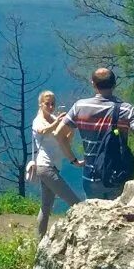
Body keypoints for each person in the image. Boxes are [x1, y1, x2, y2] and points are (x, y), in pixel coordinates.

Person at [67, 66, 134, 199]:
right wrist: (132, 165)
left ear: (93, 84)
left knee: (95, 215)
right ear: (114, 84)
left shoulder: (79, 106)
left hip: (90, 176)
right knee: (119, 216)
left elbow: (58, 135)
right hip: (117, 175)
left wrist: (73, 160)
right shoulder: (126, 109)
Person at [28, 89, 81, 237]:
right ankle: (77, 235)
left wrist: (72, 126)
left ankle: (39, 241)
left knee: (46, 207)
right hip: (45, 167)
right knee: (75, 202)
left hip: (52, 167)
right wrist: (58, 122)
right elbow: (42, 131)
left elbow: (65, 140)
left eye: (53, 104)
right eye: (47, 104)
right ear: (40, 104)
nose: (50, 107)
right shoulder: (38, 121)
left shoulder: (53, 118)